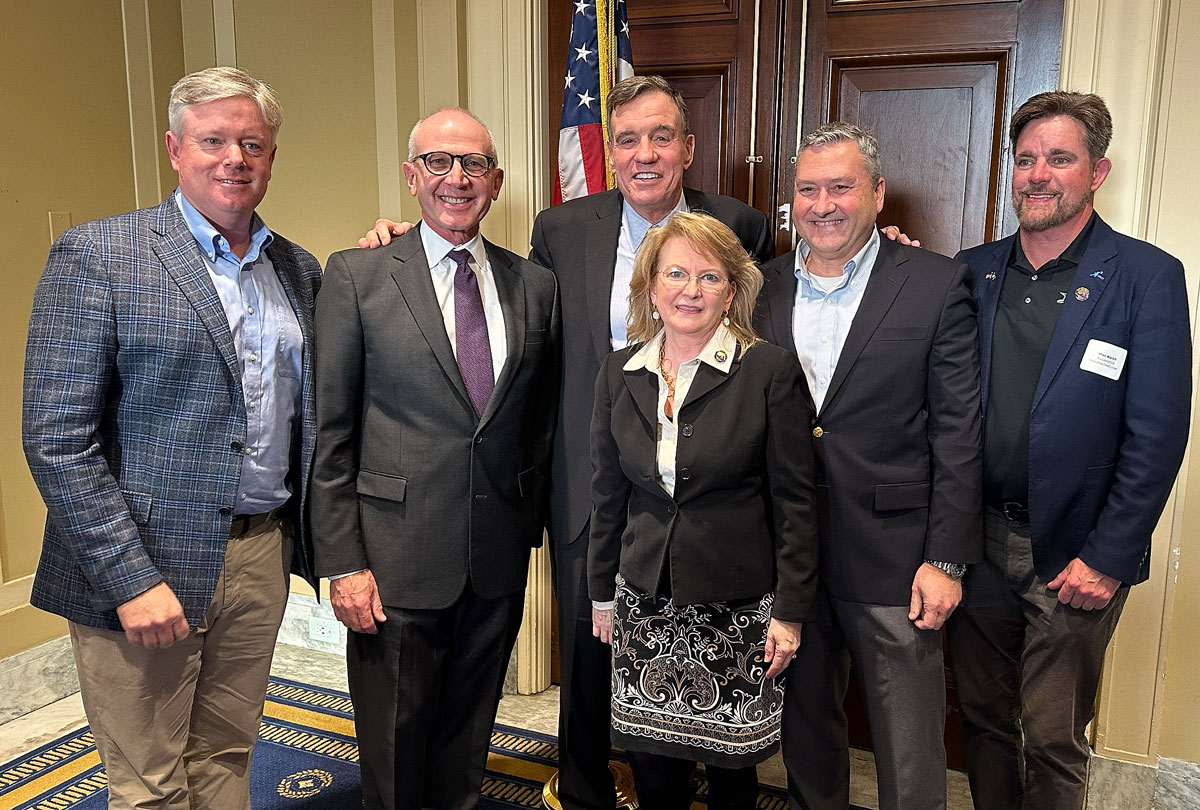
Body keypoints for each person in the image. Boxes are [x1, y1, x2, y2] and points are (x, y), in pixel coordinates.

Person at [359, 75, 773, 810]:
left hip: (710, 492)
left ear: (689, 146)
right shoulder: (562, 228)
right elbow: (505, 315)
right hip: (592, 485)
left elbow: (777, 321)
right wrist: (403, 245)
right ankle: (586, 789)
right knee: (590, 658)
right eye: (627, 140)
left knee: (705, 655)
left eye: (661, 136)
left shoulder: (740, 224)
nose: (644, 154)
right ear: (609, 153)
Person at [22, 67, 320, 810]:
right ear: (175, 149)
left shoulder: (297, 269)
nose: (234, 159)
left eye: (252, 143)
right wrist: (130, 580)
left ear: (272, 156)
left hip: (259, 554)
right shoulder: (100, 255)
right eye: (213, 140)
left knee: (226, 754)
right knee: (150, 783)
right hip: (145, 563)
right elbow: (58, 440)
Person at [309, 107, 561, 810]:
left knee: (467, 741)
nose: (457, 178)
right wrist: (344, 563)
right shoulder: (358, 276)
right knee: (393, 748)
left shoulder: (534, 286)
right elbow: (330, 432)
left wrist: (528, 526)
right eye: (440, 162)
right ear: (411, 176)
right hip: (391, 561)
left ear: (496, 180)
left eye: (474, 164)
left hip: (496, 559)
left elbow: (535, 423)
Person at [946, 91, 1191, 810]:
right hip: (978, 541)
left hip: (1076, 555)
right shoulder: (971, 270)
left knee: (1053, 737)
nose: (1038, 174)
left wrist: (1111, 557)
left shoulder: (1147, 277)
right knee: (985, 723)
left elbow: (1158, 433)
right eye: (1025, 159)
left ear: (1097, 171)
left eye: (1059, 158)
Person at [753, 121, 983, 810]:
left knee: (908, 743)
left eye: (842, 187)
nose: (823, 204)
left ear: (878, 194)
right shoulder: (756, 287)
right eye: (807, 190)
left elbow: (959, 431)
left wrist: (946, 559)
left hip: (897, 555)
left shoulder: (936, 284)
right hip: (786, 554)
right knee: (807, 731)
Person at [588, 211, 818, 810]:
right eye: (677, 274)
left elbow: (796, 503)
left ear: (732, 292)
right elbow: (607, 494)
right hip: (644, 605)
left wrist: (790, 614)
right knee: (653, 772)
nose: (691, 290)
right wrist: (602, 595)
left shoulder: (768, 371)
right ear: (651, 287)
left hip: (736, 610)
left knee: (732, 780)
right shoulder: (619, 373)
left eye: (709, 277)